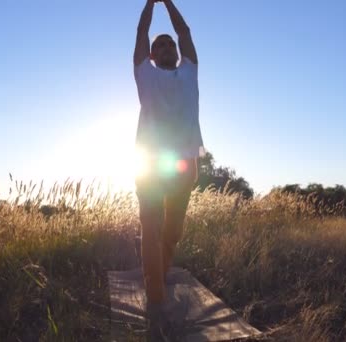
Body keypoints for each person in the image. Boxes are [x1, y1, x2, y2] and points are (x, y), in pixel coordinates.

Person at [133, 0, 205, 336]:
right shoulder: (145, 74)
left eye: (169, 44)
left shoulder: (189, 70)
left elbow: (186, 31)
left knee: (172, 232)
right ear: (150, 55)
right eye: (158, 45)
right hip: (150, 164)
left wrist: (168, 3)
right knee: (151, 228)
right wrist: (150, 3)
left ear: (176, 52)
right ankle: (157, 300)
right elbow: (141, 32)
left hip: (184, 165)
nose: (164, 47)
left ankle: (159, 275)